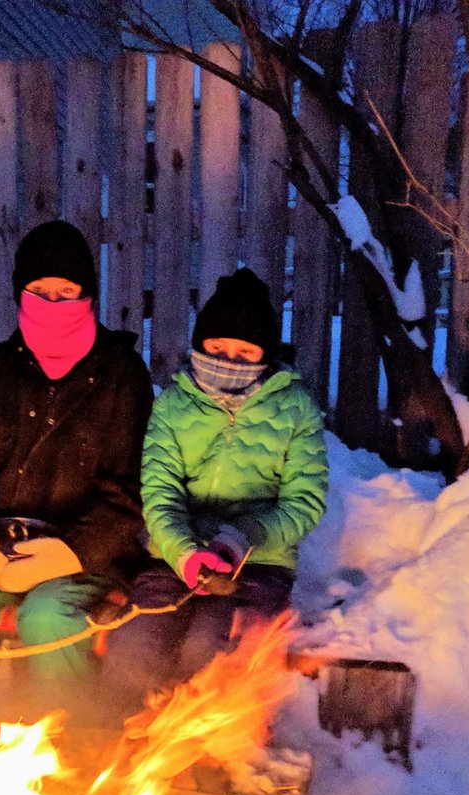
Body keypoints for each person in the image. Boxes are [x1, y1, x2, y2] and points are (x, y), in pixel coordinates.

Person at [0, 219, 153, 716]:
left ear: (89, 297)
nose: (54, 304)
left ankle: (65, 742)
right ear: (20, 294)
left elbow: (129, 492)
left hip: (79, 555)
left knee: (47, 618)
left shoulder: (121, 377)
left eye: (67, 292)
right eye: (40, 291)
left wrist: (70, 552)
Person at [99, 267, 328, 719]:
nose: (230, 361)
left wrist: (243, 536)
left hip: (258, 562)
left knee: (209, 650)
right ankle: (118, 755)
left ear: (265, 354)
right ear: (200, 344)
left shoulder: (294, 407)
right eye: (219, 349)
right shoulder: (174, 405)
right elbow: (159, 493)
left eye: (245, 352)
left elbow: (305, 500)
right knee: (133, 647)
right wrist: (184, 552)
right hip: (174, 557)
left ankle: (212, 763)